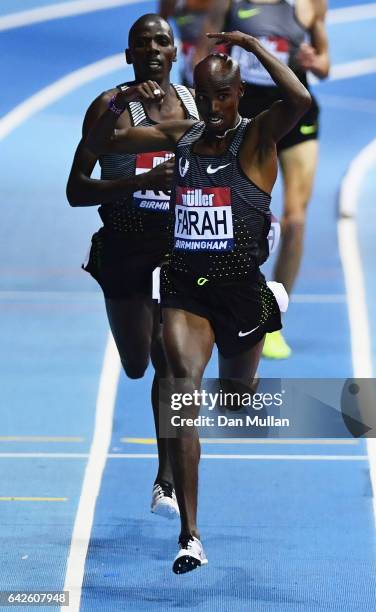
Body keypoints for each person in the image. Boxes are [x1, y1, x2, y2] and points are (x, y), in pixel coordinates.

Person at [85, 30, 311, 573]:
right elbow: (102, 140)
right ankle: (190, 535)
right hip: (185, 287)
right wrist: (121, 95)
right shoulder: (181, 136)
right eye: (203, 96)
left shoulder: (257, 138)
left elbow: (300, 101)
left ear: (238, 96)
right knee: (181, 393)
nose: (211, 107)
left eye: (221, 97)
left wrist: (257, 52)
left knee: (235, 399)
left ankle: (271, 304)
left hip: (239, 289)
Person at [66, 14, 199, 519]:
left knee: (171, 356)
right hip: (123, 246)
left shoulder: (193, 103)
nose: (152, 50)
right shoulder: (108, 108)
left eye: (161, 41)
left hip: (176, 246)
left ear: (174, 51)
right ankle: (166, 474)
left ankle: (166, 478)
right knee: (138, 363)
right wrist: (138, 183)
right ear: (129, 55)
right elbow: (76, 191)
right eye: (141, 44)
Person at [197, 0, 330, 358]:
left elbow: (324, 63)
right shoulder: (228, 2)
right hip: (245, 117)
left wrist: (314, 63)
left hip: (294, 113)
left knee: (296, 221)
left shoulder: (309, 4)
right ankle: (215, 296)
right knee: (234, 214)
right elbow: (205, 50)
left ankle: (273, 317)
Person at [159, 0, 213, 87]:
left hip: (213, 46)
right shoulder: (168, 3)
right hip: (189, 53)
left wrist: (201, 50)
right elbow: (161, 22)